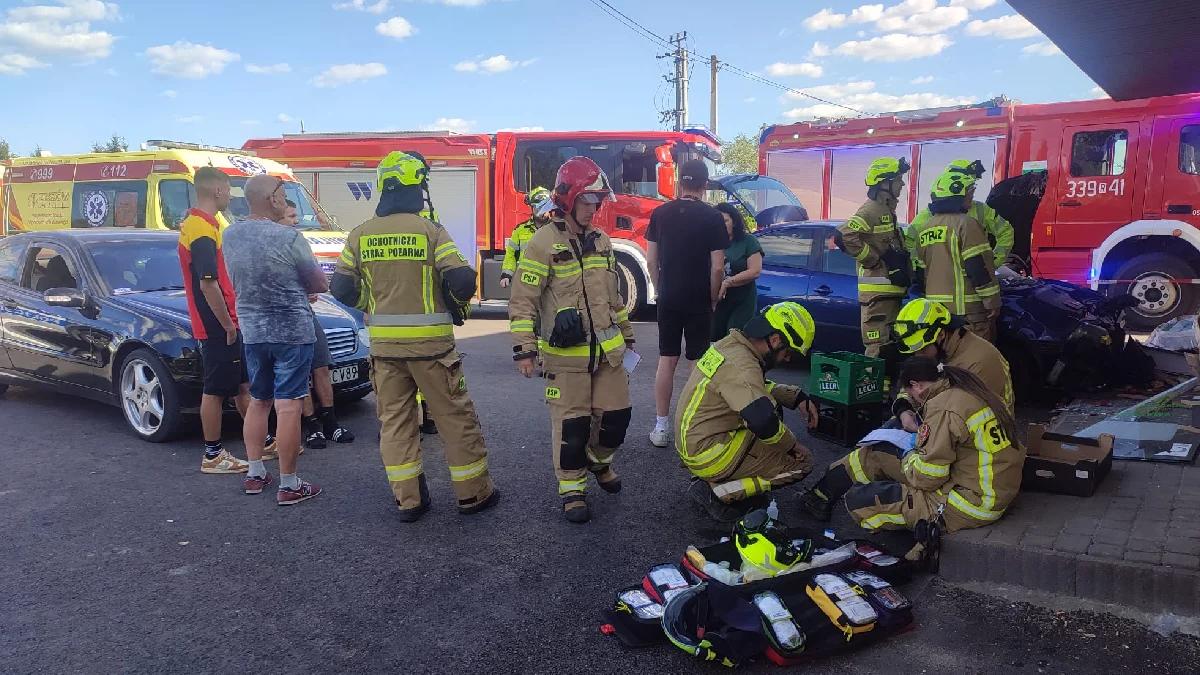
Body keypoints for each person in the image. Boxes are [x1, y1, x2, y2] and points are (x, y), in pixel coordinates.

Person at [332, 150, 499, 522]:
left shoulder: (360, 235)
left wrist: (371, 301)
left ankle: (409, 501)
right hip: (432, 351)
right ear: (414, 186)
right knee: (455, 420)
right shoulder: (431, 231)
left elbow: (340, 288)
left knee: (395, 424)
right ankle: (473, 495)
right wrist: (454, 300)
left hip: (385, 351)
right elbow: (462, 279)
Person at [508, 156, 635, 523]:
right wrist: (524, 350)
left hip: (609, 354)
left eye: (597, 202)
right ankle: (572, 489)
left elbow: (613, 298)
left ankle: (598, 464)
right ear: (568, 198)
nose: (594, 209)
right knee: (572, 427)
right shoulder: (542, 242)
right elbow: (523, 300)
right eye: (587, 200)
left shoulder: (603, 241)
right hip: (566, 358)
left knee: (616, 419)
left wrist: (627, 337)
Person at [798, 357, 1024, 539]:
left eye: (912, 395)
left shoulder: (943, 408)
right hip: (987, 486)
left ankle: (896, 546)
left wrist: (909, 455)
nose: (916, 403)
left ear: (917, 384)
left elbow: (928, 477)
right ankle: (819, 496)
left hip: (969, 503)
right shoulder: (964, 386)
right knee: (874, 453)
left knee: (861, 501)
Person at [223, 175, 329, 505]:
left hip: (253, 332)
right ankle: (289, 483)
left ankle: (255, 474)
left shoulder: (229, 235)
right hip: (291, 331)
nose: (284, 201)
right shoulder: (289, 237)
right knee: (289, 406)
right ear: (271, 199)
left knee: (259, 401)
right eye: (282, 196)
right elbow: (318, 283)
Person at [676, 302, 820, 522]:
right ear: (774, 340)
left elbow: (754, 387)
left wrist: (797, 397)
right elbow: (763, 422)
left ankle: (720, 479)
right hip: (710, 453)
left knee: (770, 411)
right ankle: (719, 493)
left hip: (695, 442)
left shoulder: (732, 346)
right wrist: (793, 446)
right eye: (788, 353)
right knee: (802, 462)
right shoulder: (743, 365)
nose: (788, 360)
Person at [177, 166, 274, 474]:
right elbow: (208, 283)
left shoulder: (206, 223)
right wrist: (228, 324)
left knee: (243, 383)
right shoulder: (201, 228)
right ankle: (213, 455)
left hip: (227, 320)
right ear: (217, 190)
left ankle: (263, 440)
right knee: (215, 390)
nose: (232, 196)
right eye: (230, 189)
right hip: (217, 324)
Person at [647, 159, 729, 448]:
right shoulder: (713, 217)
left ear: (679, 183)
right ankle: (695, 425)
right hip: (698, 298)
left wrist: (660, 290)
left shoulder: (660, 214)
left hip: (668, 296)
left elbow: (651, 261)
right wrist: (713, 296)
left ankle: (661, 427)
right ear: (704, 186)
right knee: (697, 361)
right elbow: (717, 267)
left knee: (667, 360)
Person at [279, 199, 355, 450]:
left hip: (308, 314)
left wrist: (306, 290)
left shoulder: (298, 243)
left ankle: (331, 423)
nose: (296, 221)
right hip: (286, 320)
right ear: (278, 218)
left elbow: (316, 281)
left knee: (322, 367)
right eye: (291, 216)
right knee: (301, 374)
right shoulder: (274, 247)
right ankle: (312, 427)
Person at [888, 298, 1014, 432]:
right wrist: (904, 409)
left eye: (921, 349)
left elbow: (958, 417)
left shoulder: (979, 362)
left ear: (941, 335)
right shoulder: (938, 352)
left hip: (981, 439)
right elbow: (911, 382)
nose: (917, 356)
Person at [909, 168, 1002, 341]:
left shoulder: (925, 229)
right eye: (968, 190)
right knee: (974, 359)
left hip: (937, 311)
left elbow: (922, 274)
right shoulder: (966, 224)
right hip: (968, 312)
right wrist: (992, 302)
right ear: (956, 195)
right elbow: (978, 268)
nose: (971, 195)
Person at [834, 157, 911, 363]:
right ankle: (872, 394)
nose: (902, 184)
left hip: (888, 293)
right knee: (877, 350)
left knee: (889, 348)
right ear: (884, 183)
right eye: (898, 179)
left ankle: (885, 393)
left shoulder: (886, 210)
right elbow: (844, 235)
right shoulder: (871, 210)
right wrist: (872, 260)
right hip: (877, 295)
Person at [905, 159, 1014, 270]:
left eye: (972, 186)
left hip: (975, 277)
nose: (972, 192)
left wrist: (994, 261)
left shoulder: (981, 209)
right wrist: (919, 267)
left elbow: (1005, 232)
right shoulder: (928, 215)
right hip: (943, 277)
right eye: (969, 187)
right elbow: (909, 240)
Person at [711, 202, 764, 341]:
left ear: (734, 222)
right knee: (713, 339)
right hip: (716, 300)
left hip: (742, 300)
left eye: (726, 221)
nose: (722, 225)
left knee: (733, 339)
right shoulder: (710, 242)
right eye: (718, 222)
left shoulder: (748, 241)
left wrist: (727, 283)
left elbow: (755, 271)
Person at [499, 186, 553, 288]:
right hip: (527, 284)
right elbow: (511, 255)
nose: (541, 211)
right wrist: (506, 275)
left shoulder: (557, 230)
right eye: (538, 207)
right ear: (531, 208)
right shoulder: (520, 230)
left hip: (550, 285)